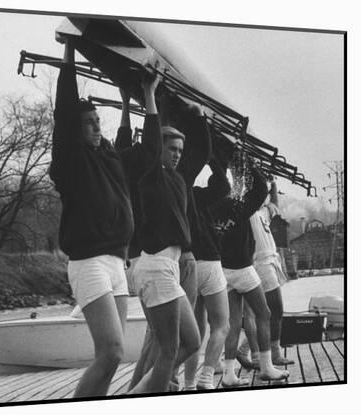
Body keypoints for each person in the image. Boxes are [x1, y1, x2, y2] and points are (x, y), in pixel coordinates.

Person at [50, 39, 134, 398]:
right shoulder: (71, 160)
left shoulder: (109, 158)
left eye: (99, 122)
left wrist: (131, 99)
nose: (97, 128)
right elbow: (65, 109)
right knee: (111, 352)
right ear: (75, 129)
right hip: (90, 263)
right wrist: (69, 54)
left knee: (114, 357)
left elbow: (126, 140)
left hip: (117, 262)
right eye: (89, 124)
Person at [116, 92, 207, 392]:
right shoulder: (148, 175)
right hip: (155, 267)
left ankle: (137, 392)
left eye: (180, 149)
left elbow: (201, 153)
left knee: (191, 342)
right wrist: (147, 97)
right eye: (171, 148)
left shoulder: (178, 179)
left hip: (169, 269)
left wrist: (199, 118)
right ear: (159, 150)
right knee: (168, 348)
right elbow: (144, 145)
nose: (178, 154)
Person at [211, 162, 290, 387]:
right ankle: (266, 366)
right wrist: (250, 164)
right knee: (264, 313)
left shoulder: (211, 209)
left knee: (233, 323)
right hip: (243, 268)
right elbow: (259, 190)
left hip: (223, 270)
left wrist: (218, 164)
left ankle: (228, 373)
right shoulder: (239, 207)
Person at [181, 135, 233, 390]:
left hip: (186, 264)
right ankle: (206, 378)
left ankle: (189, 384)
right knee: (222, 325)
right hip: (209, 262)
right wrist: (213, 159)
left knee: (196, 332)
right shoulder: (198, 197)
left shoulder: (175, 189)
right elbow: (223, 187)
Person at [236, 176, 295, 369]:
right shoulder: (248, 211)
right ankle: (273, 354)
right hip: (261, 264)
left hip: (271, 261)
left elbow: (275, 204)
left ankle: (247, 349)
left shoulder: (263, 212)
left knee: (264, 313)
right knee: (273, 309)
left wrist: (274, 184)